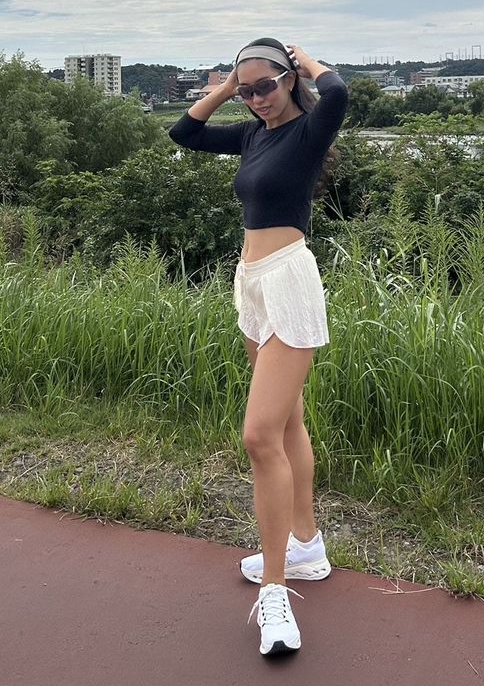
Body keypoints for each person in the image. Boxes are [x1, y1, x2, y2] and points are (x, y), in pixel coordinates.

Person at [168, 38, 348, 656]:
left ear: (289, 79)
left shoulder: (308, 132)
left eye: (264, 86)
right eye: (246, 91)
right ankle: (307, 547)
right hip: (251, 282)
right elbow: (184, 134)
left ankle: (275, 590)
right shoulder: (252, 134)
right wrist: (225, 88)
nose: (255, 99)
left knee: (259, 436)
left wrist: (307, 59)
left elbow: (339, 91)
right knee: (288, 422)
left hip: (289, 281)